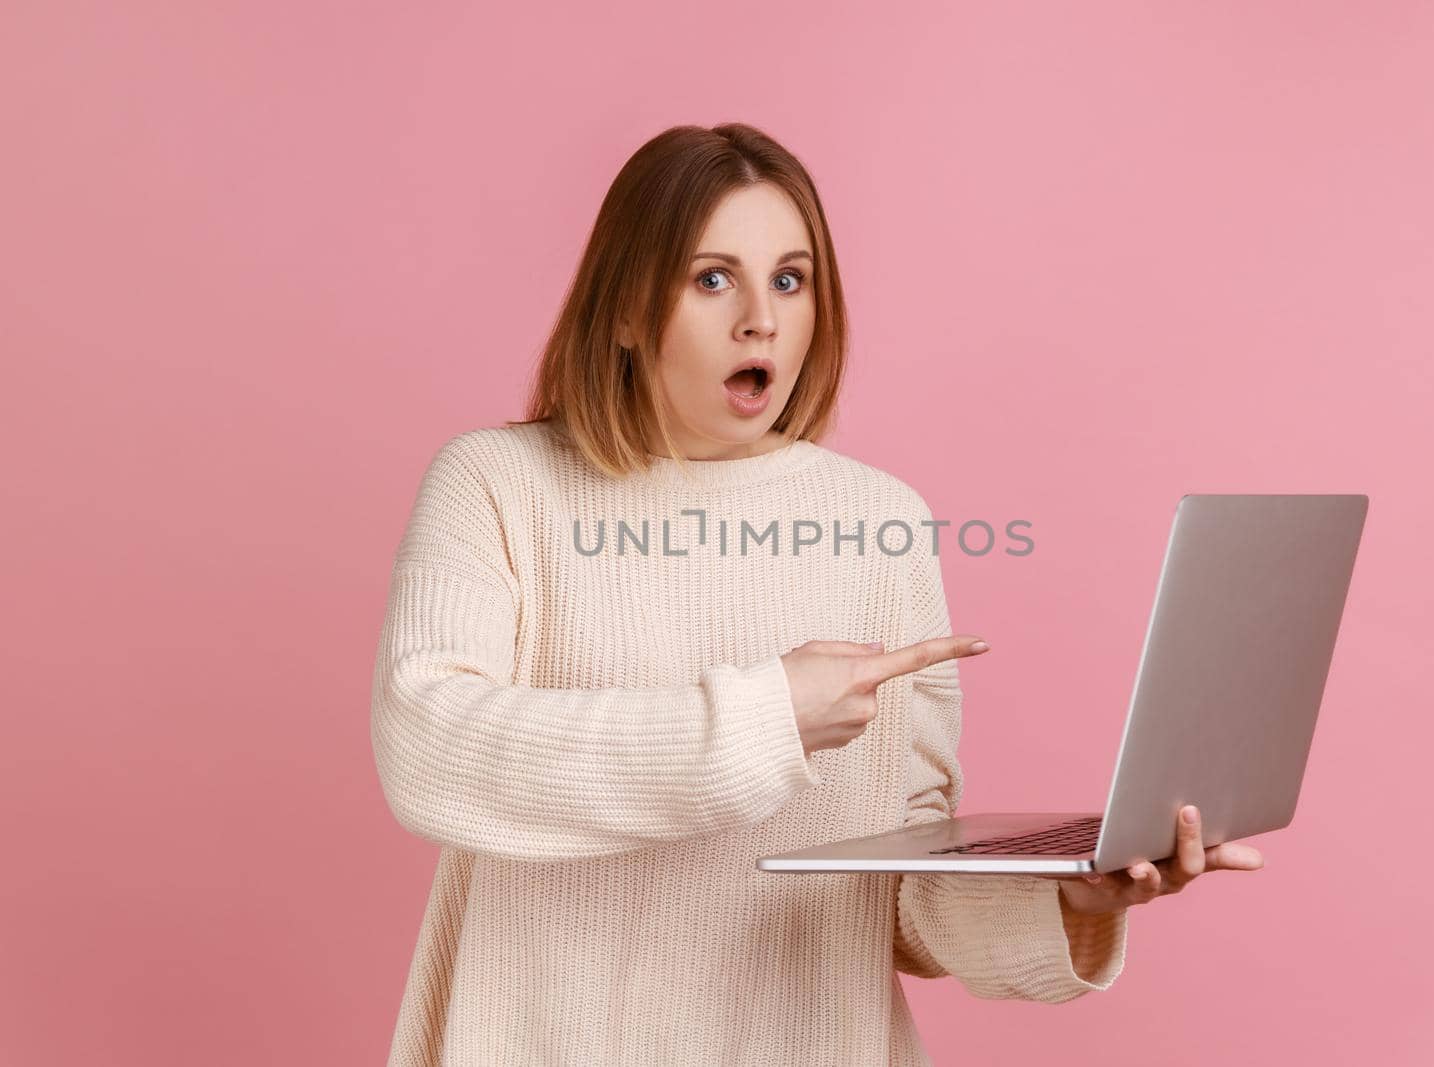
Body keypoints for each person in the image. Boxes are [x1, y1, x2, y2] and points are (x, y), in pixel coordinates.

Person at [370, 122, 1263, 1066]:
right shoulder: (496, 485)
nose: (761, 318)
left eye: (789, 280)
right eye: (712, 278)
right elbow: (431, 745)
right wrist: (764, 719)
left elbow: (900, 889)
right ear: (627, 307)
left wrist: (1070, 891)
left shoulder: (881, 522)